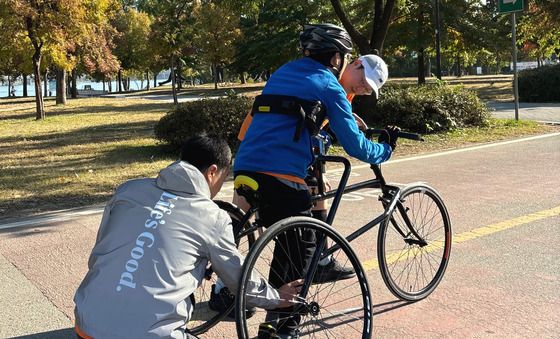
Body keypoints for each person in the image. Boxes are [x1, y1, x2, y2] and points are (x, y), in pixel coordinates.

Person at [230, 23, 400, 338]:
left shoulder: (283, 72)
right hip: (280, 175)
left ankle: (230, 290)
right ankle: (280, 327)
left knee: (280, 232)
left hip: (245, 166)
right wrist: (385, 150)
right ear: (338, 57)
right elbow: (356, 147)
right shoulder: (329, 85)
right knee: (303, 249)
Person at [73, 134, 302, 339]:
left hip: (87, 323)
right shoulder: (212, 216)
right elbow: (238, 279)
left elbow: (101, 252)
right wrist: (276, 297)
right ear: (213, 172)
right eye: (224, 177)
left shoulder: (128, 190)